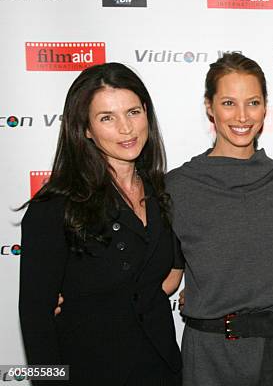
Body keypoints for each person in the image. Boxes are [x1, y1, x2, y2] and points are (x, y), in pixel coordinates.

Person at [18, 63, 183, 385]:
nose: (126, 128)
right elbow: (36, 322)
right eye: (107, 117)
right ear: (86, 129)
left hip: (162, 369)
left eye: (133, 112)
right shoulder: (54, 208)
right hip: (89, 372)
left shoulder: (162, 194)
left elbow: (162, 275)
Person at [166, 53, 273, 386]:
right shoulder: (177, 186)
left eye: (253, 102)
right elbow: (165, 276)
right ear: (209, 106)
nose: (242, 116)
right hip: (209, 358)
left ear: (265, 107)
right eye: (229, 102)